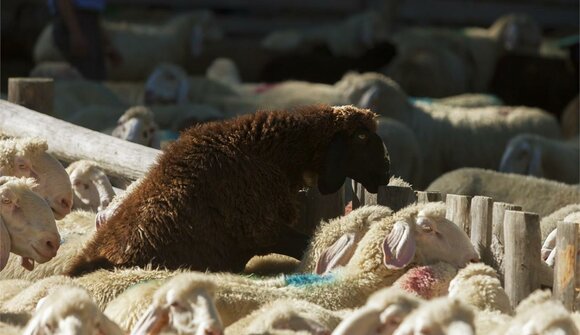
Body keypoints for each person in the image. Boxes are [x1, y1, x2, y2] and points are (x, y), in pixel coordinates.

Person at [48, 0, 122, 80]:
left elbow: (93, 18)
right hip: (76, 21)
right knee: (87, 76)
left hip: (86, 22)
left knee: (97, 76)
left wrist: (106, 44)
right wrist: (75, 33)